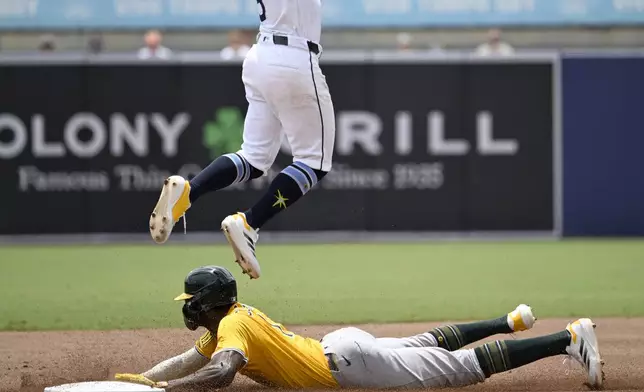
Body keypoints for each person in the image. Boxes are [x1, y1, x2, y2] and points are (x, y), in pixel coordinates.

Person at [114, 266, 605, 391]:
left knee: (460, 370)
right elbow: (190, 361)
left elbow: (222, 374)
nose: (189, 308)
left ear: (209, 303)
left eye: (193, 301)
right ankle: (509, 321)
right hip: (343, 346)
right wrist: (148, 378)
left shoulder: (233, 331)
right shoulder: (231, 322)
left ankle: (569, 338)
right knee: (426, 344)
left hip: (348, 365)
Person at [149, 0, 335, 280]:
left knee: (253, 158)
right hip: (295, 55)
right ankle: (249, 223)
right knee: (313, 162)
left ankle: (189, 191)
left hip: (261, 55)